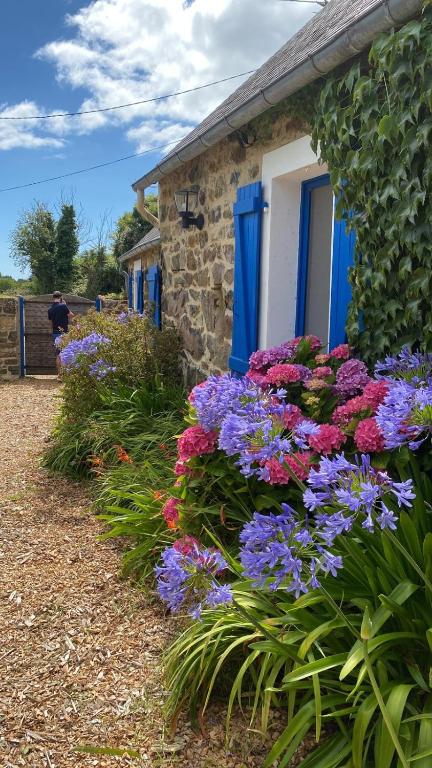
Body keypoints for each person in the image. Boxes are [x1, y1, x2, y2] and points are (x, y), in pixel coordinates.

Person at [48, 291, 74, 374]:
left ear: (53, 298)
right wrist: (65, 305)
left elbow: (51, 323)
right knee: (65, 353)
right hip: (64, 333)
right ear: (61, 297)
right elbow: (71, 315)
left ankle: (60, 374)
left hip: (55, 333)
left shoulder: (50, 309)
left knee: (58, 354)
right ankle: (65, 374)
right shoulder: (63, 306)